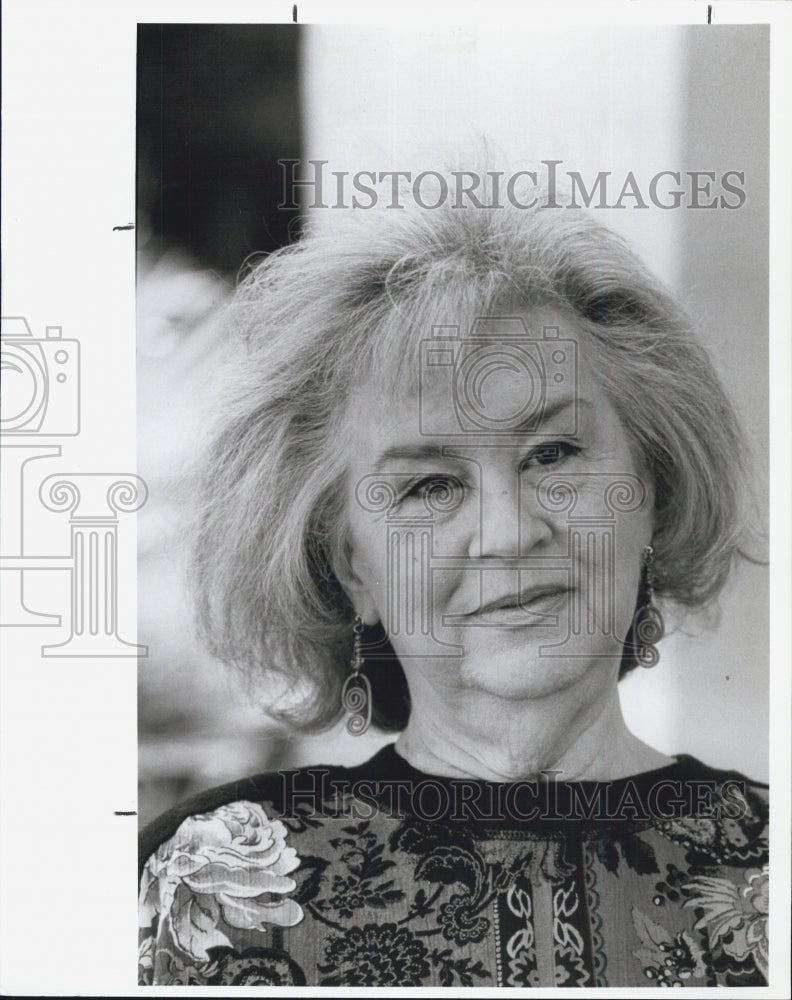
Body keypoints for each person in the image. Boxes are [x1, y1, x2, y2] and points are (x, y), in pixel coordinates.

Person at [138, 176, 768, 988]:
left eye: (554, 455)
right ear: (348, 564)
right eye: (428, 486)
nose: (507, 533)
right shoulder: (209, 886)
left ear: (654, 491)